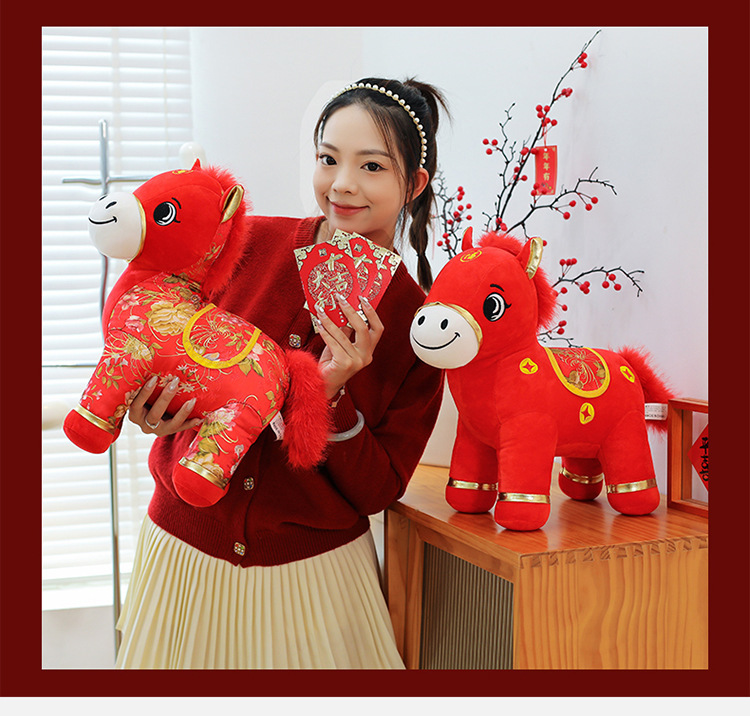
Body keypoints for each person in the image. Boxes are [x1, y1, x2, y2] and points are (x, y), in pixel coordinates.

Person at [114, 77, 448, 669]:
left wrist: (330, 396)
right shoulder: (241, 245)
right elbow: (169, 345)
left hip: (315, 581)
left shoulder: (417, 325)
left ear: (415, 185)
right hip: (183, 551)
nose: (341, 184)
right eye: (328, 159)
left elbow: (378, 490)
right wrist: (155, 409)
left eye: (371, 166)